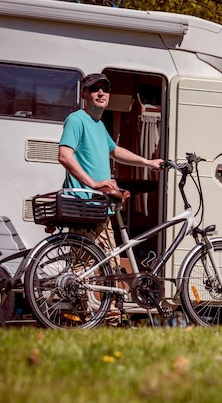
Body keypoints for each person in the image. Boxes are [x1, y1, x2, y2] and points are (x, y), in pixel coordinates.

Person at [58, 73, 164, 262]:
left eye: (105, 89)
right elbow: (65, 156)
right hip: (84, 206)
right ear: (84, 94)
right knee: (85, 269)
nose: (101, 93)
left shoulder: (98, 124)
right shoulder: (77, 119)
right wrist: (94, 183)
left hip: (98, 206)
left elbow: (115, 151)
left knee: (109, 267)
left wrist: (147, 163)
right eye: (94, 89)